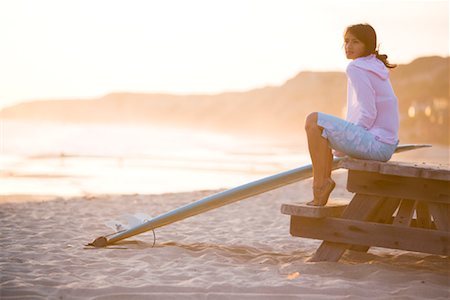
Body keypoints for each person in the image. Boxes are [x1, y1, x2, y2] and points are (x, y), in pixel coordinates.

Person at [304, 23, 399, 206]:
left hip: (376, 143)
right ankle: (323, 184)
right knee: (323, 130)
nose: (348, 46)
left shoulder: (356, 68)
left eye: (355, 42)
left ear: (367, 45)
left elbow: (369, 112)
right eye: (346, 41)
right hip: (385, 145)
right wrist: (346, 140)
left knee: (313, 121)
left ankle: (320, 184)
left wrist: (348, 140)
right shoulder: (374, 65)